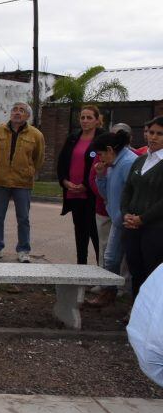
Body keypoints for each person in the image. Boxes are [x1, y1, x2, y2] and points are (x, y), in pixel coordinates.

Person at [0, 103, 45, 263]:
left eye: (21, 110)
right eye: (15, 110)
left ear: (27, 116)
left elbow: (38, 158)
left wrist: (30, 171)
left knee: (23, 218)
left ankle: (23, 250)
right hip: (1, 180)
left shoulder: (36, 135)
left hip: (23, 182)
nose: (17, 113)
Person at [87, 130, 138, 307]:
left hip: (126, 220)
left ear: (110, 149)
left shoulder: (127, 163)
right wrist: (101, 176)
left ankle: (117, 295)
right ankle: (110, 293)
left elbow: (134, 194)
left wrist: (126, 214)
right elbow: (106, 193)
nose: (100, 159)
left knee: (120, 260)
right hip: (118, 218)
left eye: (100, 154)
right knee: (112, 258)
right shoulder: (113, 164)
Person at [57, 105, 105, 264]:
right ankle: (81, 267)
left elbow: (104, 163)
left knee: (96, 233)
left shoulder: (103, 139)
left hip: (93, 194)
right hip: (73, 193)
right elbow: (62, 162)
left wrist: (86, 184)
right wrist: (65, 181)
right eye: (82, 117)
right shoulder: (73, 137)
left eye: (89, 118)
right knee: (80, 232)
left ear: (97, 120)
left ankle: (101, 270)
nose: (85, 121)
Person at [122, 116, 163, 298]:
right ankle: (135, 309)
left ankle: (150, 317)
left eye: (160, 134)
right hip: (132, 226)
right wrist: (126, 214)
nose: (153, 137)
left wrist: (142, 219)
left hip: (155, 229)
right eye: (151, 132)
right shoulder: (140, 160)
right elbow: (128, 190)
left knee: (152, 272)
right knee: (135, 269)